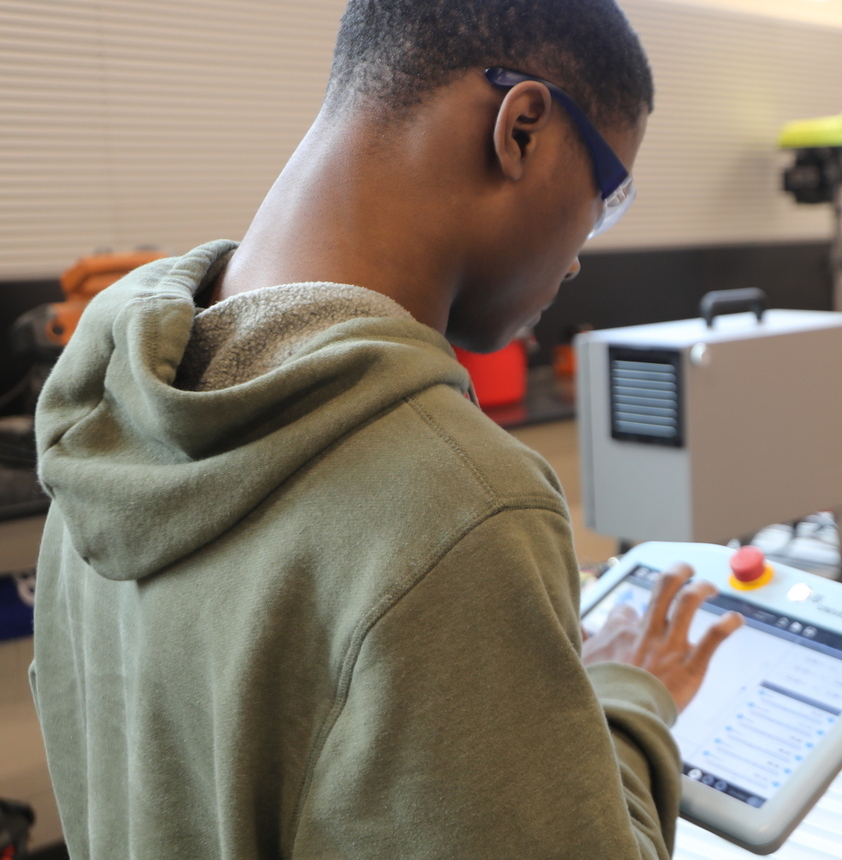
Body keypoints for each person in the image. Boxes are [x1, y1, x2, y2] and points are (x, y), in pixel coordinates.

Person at [27, 1, 744, 857]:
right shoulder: (462, 504)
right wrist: (628, 696)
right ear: (521, 129)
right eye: (605, 194)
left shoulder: (102, 407)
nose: (582, 251)